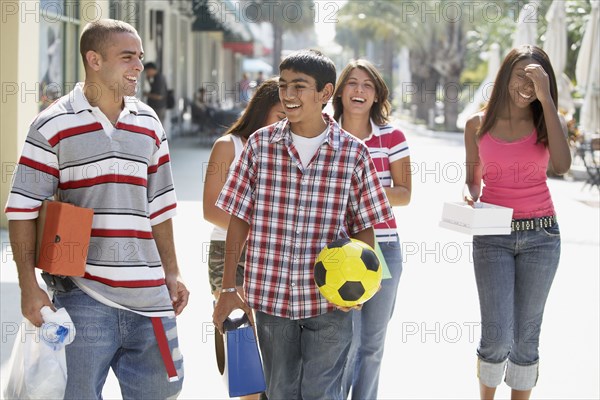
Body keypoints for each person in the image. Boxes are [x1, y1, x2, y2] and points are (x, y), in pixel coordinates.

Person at [5, 19, 189, 399]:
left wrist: (172, 272)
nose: (139, 66)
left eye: (139, 57)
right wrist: (28, 286)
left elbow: (160, 208)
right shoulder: (51, 125)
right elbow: (22, 209)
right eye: (127, 57)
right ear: (94, 60)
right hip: (83, 297)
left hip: (151, 299)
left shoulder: (149, 123)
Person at [212, 49, 394, 400]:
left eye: (299, 86)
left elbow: (365, 227)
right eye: (283, 86)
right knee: (279, 391)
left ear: (326, 94)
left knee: (322, 392)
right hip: (270, 299)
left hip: (329, 302)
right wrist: (229, 288)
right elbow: (238, 218)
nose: (288, 95)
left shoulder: (354, 153)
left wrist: (360, 292)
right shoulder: (259, 147)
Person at [463, 45, 571, 399]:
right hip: (492, 234)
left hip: (541, 235)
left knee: (526, 337)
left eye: (537, 79)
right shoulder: (477, 125)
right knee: (496, 335)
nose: (527, 85)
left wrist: (547, 101)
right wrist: (468, 194)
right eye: (521, 76)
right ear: (505, 75)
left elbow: (563, 164)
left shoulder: (545, 122)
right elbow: (472, 179)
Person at [332, 59, 412, 400]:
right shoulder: (324, 132)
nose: (359, 90)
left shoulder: (393, 137)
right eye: (352, 83)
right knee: (341, 343)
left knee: (371, 345)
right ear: (339, 91)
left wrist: (359, 191)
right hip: (333, 250)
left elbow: (405, 193)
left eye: (367, 84)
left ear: (377, 93)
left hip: (384, 249)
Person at [203, 77, 284, 400]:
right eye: (280, 115)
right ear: (262, 110)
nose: (286, 123)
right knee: (244, 349)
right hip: (231, 255)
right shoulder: (229, 146)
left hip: (278, 256)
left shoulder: (290, 147)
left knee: (277, 349)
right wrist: (265, 232)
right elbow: (211, 208)